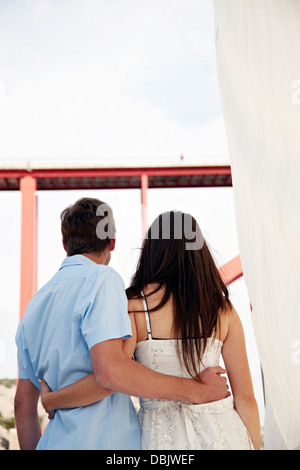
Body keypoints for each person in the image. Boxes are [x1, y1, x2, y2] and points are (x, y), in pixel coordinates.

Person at [14, 200, 230, 450]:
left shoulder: (33, 307)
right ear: (112, 242)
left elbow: (22, 405)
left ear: (65, 243)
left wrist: (52, 400)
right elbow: (111, 372)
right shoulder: (102, 280)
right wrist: (197, 390)